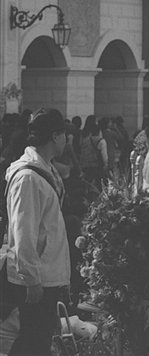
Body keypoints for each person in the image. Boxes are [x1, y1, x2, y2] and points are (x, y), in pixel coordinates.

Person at [3, 108, 71, 356]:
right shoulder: (28, 178)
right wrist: (31, 280)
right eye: (64, 135)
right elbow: (24, 232)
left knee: (37, 341)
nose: (67, 140)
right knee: (33, 342)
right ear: (55, 136)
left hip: (45, 272)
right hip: (35, 276)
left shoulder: (43, 169)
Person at [78, 120, 107, 190]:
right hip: (97, 166)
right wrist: (106, 165)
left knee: (88, 184)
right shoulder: (101, 141)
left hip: (86, 166)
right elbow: (104, 155)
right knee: (100, 185)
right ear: (99, 132)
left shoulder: (85, 140)